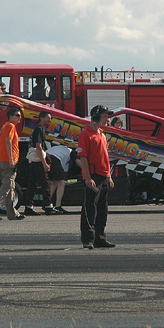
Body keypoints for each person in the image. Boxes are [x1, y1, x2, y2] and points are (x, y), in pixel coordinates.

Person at [78, 105, 116, 249]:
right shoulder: (85, 134)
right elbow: (82, 157)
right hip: (93, 176)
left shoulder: (102, 133)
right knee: (89, 207)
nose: (108, 119)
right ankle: (87, 239)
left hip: (104, 176)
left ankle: (100, 238)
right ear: (95, 117)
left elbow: (105, 157)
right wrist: (88, 177)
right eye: (105, 116)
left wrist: (109, 176)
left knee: (102, 209)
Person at [0, 107, 25, 221]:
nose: (20, 118)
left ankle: (12, 213)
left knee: (11, 187)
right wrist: (11, 159)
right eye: (17, 115)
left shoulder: (5, 126)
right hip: (7, 161)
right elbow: (8, 141)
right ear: (11, 116)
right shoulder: (10, 126)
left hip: (3, 160)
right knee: (6, 187)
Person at [23, 110, 57, 216]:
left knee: (32, 184)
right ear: (41, 118)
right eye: (48, 118)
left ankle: (28, 206)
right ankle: (48, 206)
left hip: (33, 160)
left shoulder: (37, 129)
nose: (50, 120)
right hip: (37, 160)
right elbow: (39, 147)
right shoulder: (39, 129)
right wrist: (44, 163)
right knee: (45, 183)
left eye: (50, 119)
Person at [47, 144, 72, 213]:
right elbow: (64, 169)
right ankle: (58, 205)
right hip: (55, 159)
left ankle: (47, 203)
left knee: (54, 183)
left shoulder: (60, 148)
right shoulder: (69, 154)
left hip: (45, 157)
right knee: (61, 183)